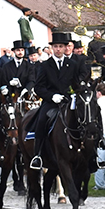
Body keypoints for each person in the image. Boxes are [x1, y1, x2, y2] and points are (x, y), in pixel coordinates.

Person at [29, 32, 76, 170]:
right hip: (50, 102)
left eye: (61, 46)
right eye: (55, 46)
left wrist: (75, 94)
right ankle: (38, 155)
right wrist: (51, 96)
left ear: (65, 47)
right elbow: (38, 87)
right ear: (52, 48)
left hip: (67, 101)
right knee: (41, 120)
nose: (58, 49)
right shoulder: (45, 65)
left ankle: (93, 153)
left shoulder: (72, 64)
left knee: (85, 117)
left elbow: (76, 83)